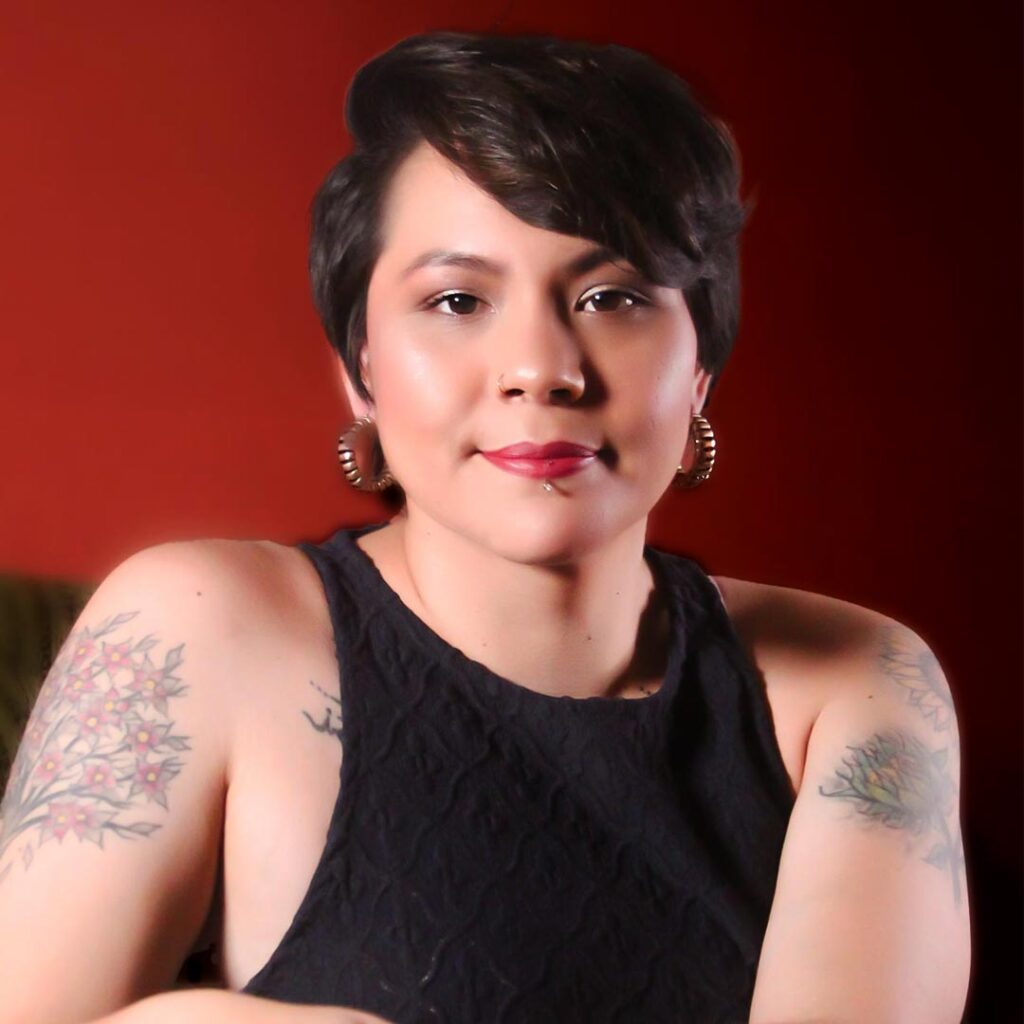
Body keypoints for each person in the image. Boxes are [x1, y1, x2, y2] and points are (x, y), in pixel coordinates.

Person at [0, 29, 970, 1024]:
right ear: (362, 368)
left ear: (700, 372)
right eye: (458, 299)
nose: (541, 368)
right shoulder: (200, 628)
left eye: (612, 296)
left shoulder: (855, 684)